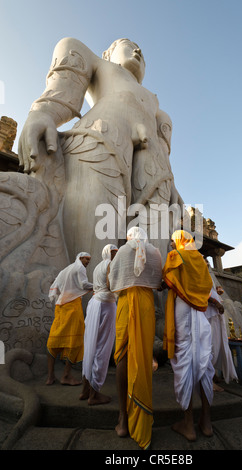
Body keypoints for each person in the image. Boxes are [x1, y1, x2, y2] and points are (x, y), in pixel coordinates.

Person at [18, 37, 183, 273]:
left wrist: (171, 183)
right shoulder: (97, 61)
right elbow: (63, 87)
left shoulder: (157, 106)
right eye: (128, 44)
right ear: (107, 54)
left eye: (143, 54)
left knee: (153, 247)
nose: (137, 51)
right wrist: (42, 113)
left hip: (154, 169)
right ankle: (90, 298)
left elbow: (164, 150)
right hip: (103, 139)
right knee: (97, 237)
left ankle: (148, 306)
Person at [108, 226, 162, 450]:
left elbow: (113, 282)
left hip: (126, 303)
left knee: (122, 354)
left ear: (129, 237)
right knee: (142, 352)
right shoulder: (155, 252)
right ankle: (143, 416)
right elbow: (159, 282)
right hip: (146, 305)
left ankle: (123, 418)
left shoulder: (122, 251)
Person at [162, 230, 214, 441]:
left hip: (182, 307)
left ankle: (188, 424)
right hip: (201, 311)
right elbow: (208, 285)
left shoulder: (176, 256)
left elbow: (167, 279)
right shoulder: (201, 260)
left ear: (177, 242)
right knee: (204, 360)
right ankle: (207, 422)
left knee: (184, 359)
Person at [80, 244, 118, 405]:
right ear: (109, 254)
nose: (117, 255)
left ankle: (85, 390)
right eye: (114, 252)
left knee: (90, 346)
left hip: (95, 303)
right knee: (102, 348)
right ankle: (94, 395)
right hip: (105, 306)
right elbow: (111, 285)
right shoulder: (110, 264)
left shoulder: (97, 266)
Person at [46, 252, 93, 385]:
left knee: (53, 340)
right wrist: (99, 286)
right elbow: (84, 285)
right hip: (72, 308)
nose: (88, 261)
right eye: (86, 259)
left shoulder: (65, 270)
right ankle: (66, 375)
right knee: (74, 341)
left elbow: (54, 287)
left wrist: (60, 297)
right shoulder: (80, 268)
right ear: (79, 258)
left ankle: (50, 377)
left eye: (89, 259)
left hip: (60, 307)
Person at [205, 284, 238, 391]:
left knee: (217, 343)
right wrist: (215, 302)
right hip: (208, 312)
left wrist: (216, 293)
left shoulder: (206, 273)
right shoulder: (196, 269)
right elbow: (198, 291)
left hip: (215, 312)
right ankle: (208, 378)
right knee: (209, 344)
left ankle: (212, 372)